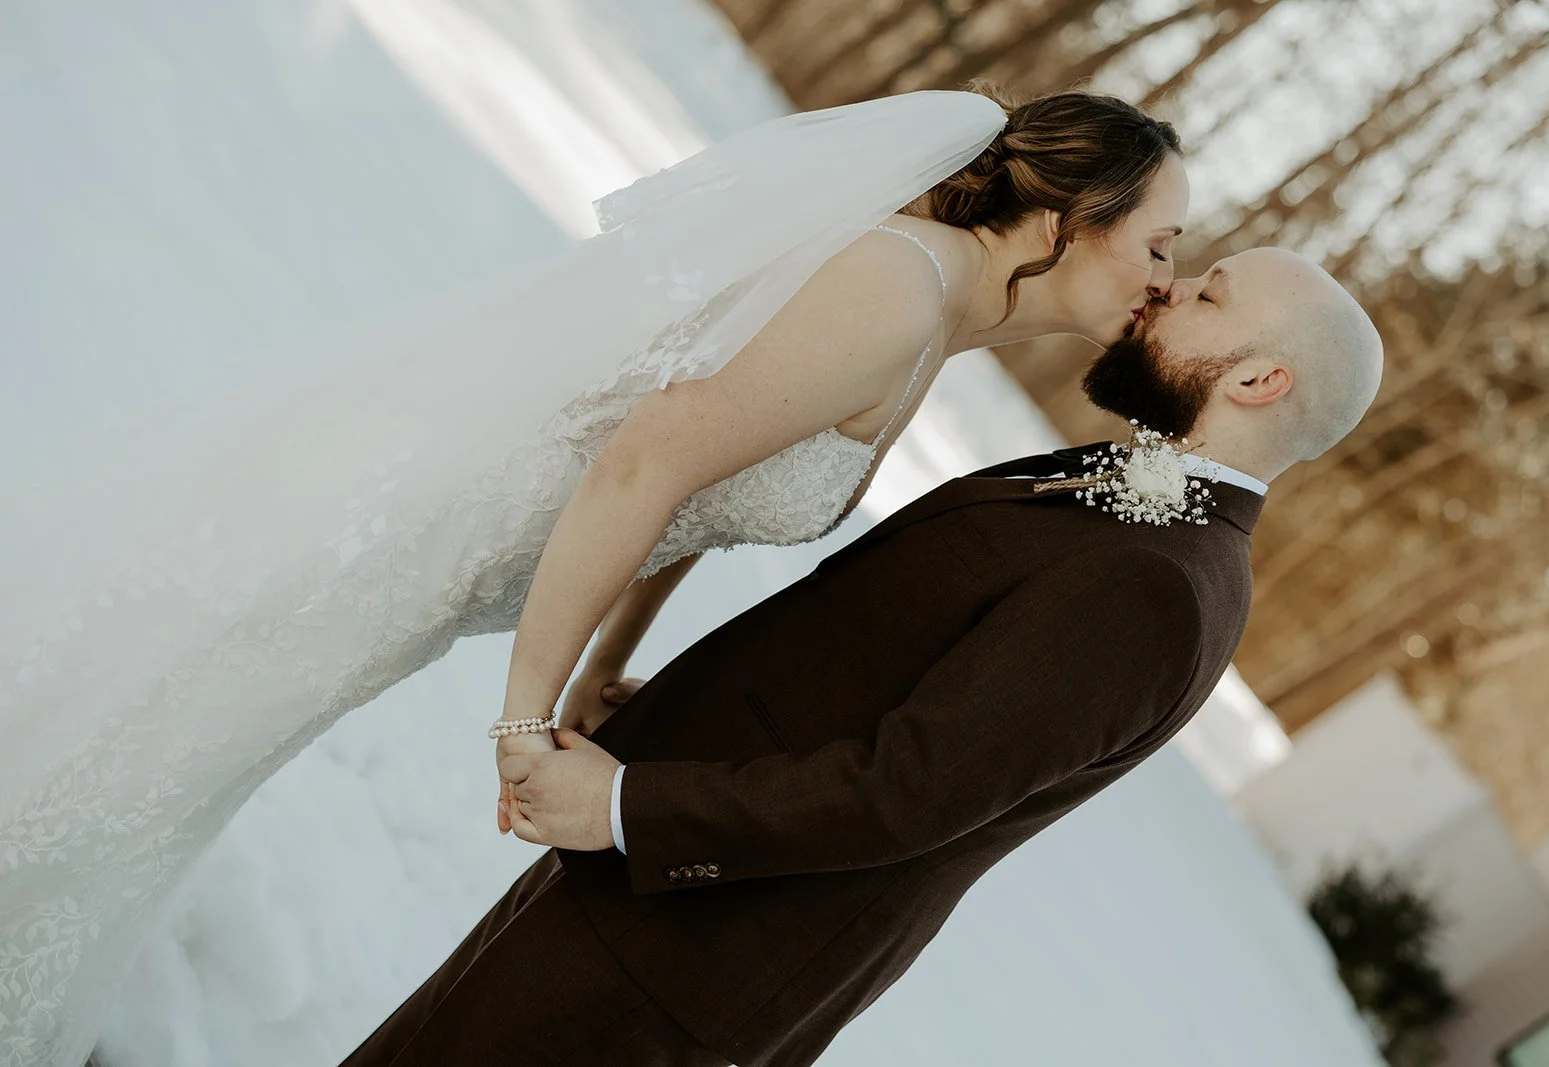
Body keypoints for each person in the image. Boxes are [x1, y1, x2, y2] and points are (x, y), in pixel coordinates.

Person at [0, 86, 1186, 1067]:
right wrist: (523, 712)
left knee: (182, 741)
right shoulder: (899, 285)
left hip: (458, 570)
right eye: (1158, 240)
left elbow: (698, 504)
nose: (1166, 275)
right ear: (1067, 218)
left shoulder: (938, 316)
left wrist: (606, 663)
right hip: (420, 526)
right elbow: (645, 457)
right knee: (157, 724)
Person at [339, 246, 1385, 1066]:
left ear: (1255, 377)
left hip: (687, 959)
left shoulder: (1159, 587)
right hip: (653, 895)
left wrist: (627, 809)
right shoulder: (1124, 501)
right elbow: (901, 681)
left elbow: (907, 792)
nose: (1167, 291)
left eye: (1208, 294)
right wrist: (678, 725)